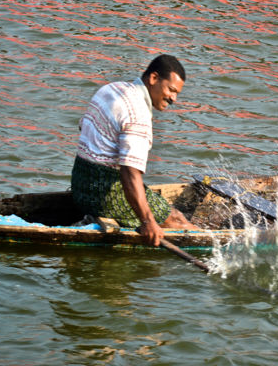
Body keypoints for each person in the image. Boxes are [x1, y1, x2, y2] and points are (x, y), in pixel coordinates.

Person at [71, 55, 195, 246]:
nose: (173, 99)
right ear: (153, 79)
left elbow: (83, 127)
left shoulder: (111, 88)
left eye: (177, 93)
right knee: (176, 219)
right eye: (171, 90)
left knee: (159, 205)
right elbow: (129, 173)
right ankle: (210, 244)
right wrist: (148, 222)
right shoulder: (138, 113)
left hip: (80, 184)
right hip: (105, 195)